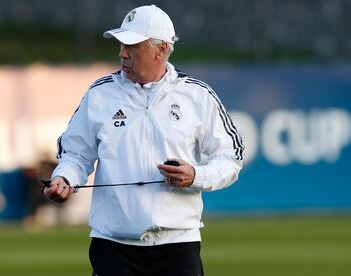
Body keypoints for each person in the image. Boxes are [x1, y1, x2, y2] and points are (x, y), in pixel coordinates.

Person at [44, 4, 244, 276]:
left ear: (161, 49)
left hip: (178, 245)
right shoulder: (100, 94)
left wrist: (196, 175)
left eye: (133, 46)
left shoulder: (197, 96)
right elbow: (75, 154)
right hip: (113, 247)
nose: (122, 53)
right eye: (121, 45)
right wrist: (64, 178)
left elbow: (231, 158)